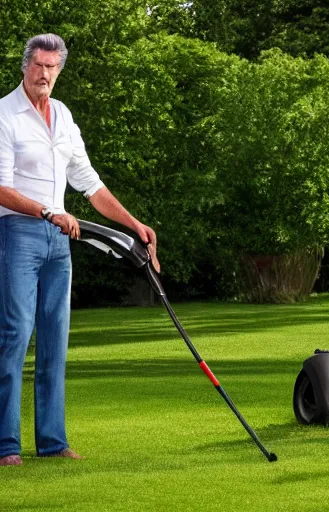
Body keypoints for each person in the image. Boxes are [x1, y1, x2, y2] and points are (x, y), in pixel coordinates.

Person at [0, 34, 160, 467]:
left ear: (59, 70)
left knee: (55, 340)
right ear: (25, 67)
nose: (45, 75)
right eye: (38, 66)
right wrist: (49, 212)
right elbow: (1, 188)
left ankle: (52, 442)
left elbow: (89, 183)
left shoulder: (64, 117)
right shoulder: (4, 114)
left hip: (60, 241)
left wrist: (133, 224)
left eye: (52, 68)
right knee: (14, 336)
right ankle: (5, 446)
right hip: (18, 233)